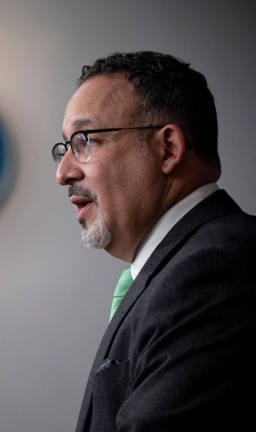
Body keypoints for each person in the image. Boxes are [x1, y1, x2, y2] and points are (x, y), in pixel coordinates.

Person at [52, 51, 256, 431]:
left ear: (168, 149)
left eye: (84, 141)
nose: (63, 172)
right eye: (63, 148)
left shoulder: (214, 268)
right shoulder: (184, 265)